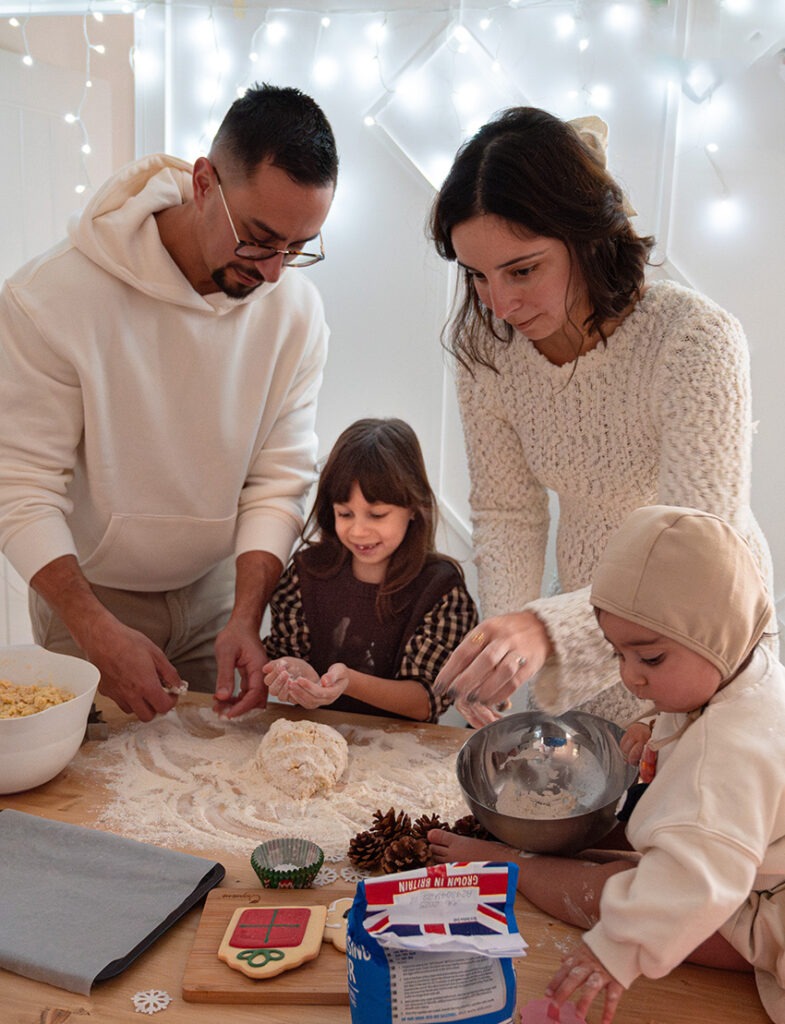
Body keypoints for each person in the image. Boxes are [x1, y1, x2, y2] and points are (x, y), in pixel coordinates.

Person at [428, 106, 777, 728]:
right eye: (476, 275)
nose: (500, 305)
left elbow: (700, 550)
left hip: (704, 626)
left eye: (523, 270)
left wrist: (546, 628)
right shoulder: (489, 353)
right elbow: (508, 512)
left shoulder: (693, 340)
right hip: (588, 603)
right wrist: (504, 645)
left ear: (587, 238)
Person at [0, 83, 338, 722]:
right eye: (260, 238)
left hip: (220, 594)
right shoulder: (51, 297)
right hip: (91, 597)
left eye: (299, 248)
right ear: (204, 184)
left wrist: (247, 615)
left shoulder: (296, 311)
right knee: (94, 782)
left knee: (215, 775)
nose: (273, 272)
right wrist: (95, 630)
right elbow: (19, 488)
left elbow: (279, 480)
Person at [429, 505, 785, 1024]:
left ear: (718, 636)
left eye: (650, 659)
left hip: (773, 914)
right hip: (753, 869)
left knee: (615, 894)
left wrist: (615, 952)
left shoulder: (731, 752)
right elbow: (703, 707)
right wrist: (653, 723)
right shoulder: (748, 669)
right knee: (634, 865)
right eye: (618, 654)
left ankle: (508, 863)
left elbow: (698, 879)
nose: (629, 677)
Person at [222, 417, 478, 722]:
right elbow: (286, 654)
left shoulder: (441, 590)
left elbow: (428, 700)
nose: (358, 531)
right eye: (345, 514)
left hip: (401, 743)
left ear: (413, 507)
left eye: (377, 515)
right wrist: (293, 673)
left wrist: (348, 682)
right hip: (313, 732)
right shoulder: (305, 575)